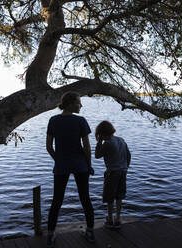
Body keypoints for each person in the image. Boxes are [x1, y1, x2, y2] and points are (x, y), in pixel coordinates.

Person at [46, 91, 95, 247]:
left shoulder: (53, 120)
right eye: (79, 102)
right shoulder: (81, 121)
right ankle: (90, 232)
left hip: (61, 165)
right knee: (85, 199)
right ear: (70, 103)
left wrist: (59, 160)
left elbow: (48, 147)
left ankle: (50, 234)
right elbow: (87, 147)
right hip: (80, 164)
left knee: (57, 200)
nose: (81, 105)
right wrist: (89, 165)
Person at [95, 120, 131, 229]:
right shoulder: (121, 140)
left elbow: (97, 155)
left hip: (112, 173)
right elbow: (128, 155)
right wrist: (125, 167)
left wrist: (99, 143)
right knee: (119, 196)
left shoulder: (107, 144)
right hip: (123, 171)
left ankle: (110, 219)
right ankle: (118, 219)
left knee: (109, 196)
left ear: (101, 134)